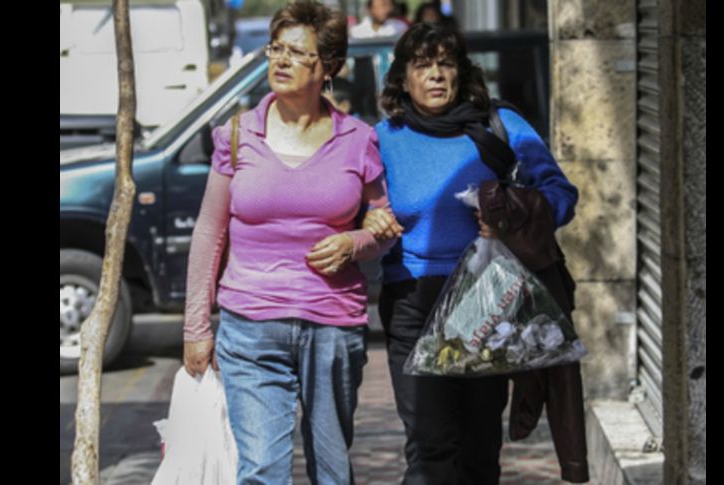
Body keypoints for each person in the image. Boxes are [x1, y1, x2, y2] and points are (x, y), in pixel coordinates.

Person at [182, 2, 401, 483]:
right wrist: (196, 327)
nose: (281, 60)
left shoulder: (357, 139)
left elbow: (383, 227)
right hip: (250, 324)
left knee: (331, 470)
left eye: (298, 53)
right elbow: (209, 232)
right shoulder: (237, 134)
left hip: (332, 325)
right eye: (276, 49)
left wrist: (353, 244)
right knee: (262, 469)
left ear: (329, 67)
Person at [362, 23, 585, 484]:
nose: (435, 74)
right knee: (430, 448)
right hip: (412, 301)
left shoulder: (500, 125)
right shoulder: (382, 139)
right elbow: (355, 206)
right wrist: (369, 219)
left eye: (445, 63)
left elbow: (561, 194)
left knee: (479, 449)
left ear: (461, 73)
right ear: (402, 78)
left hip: (487, 300)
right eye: (422, 65)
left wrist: (512, 213)